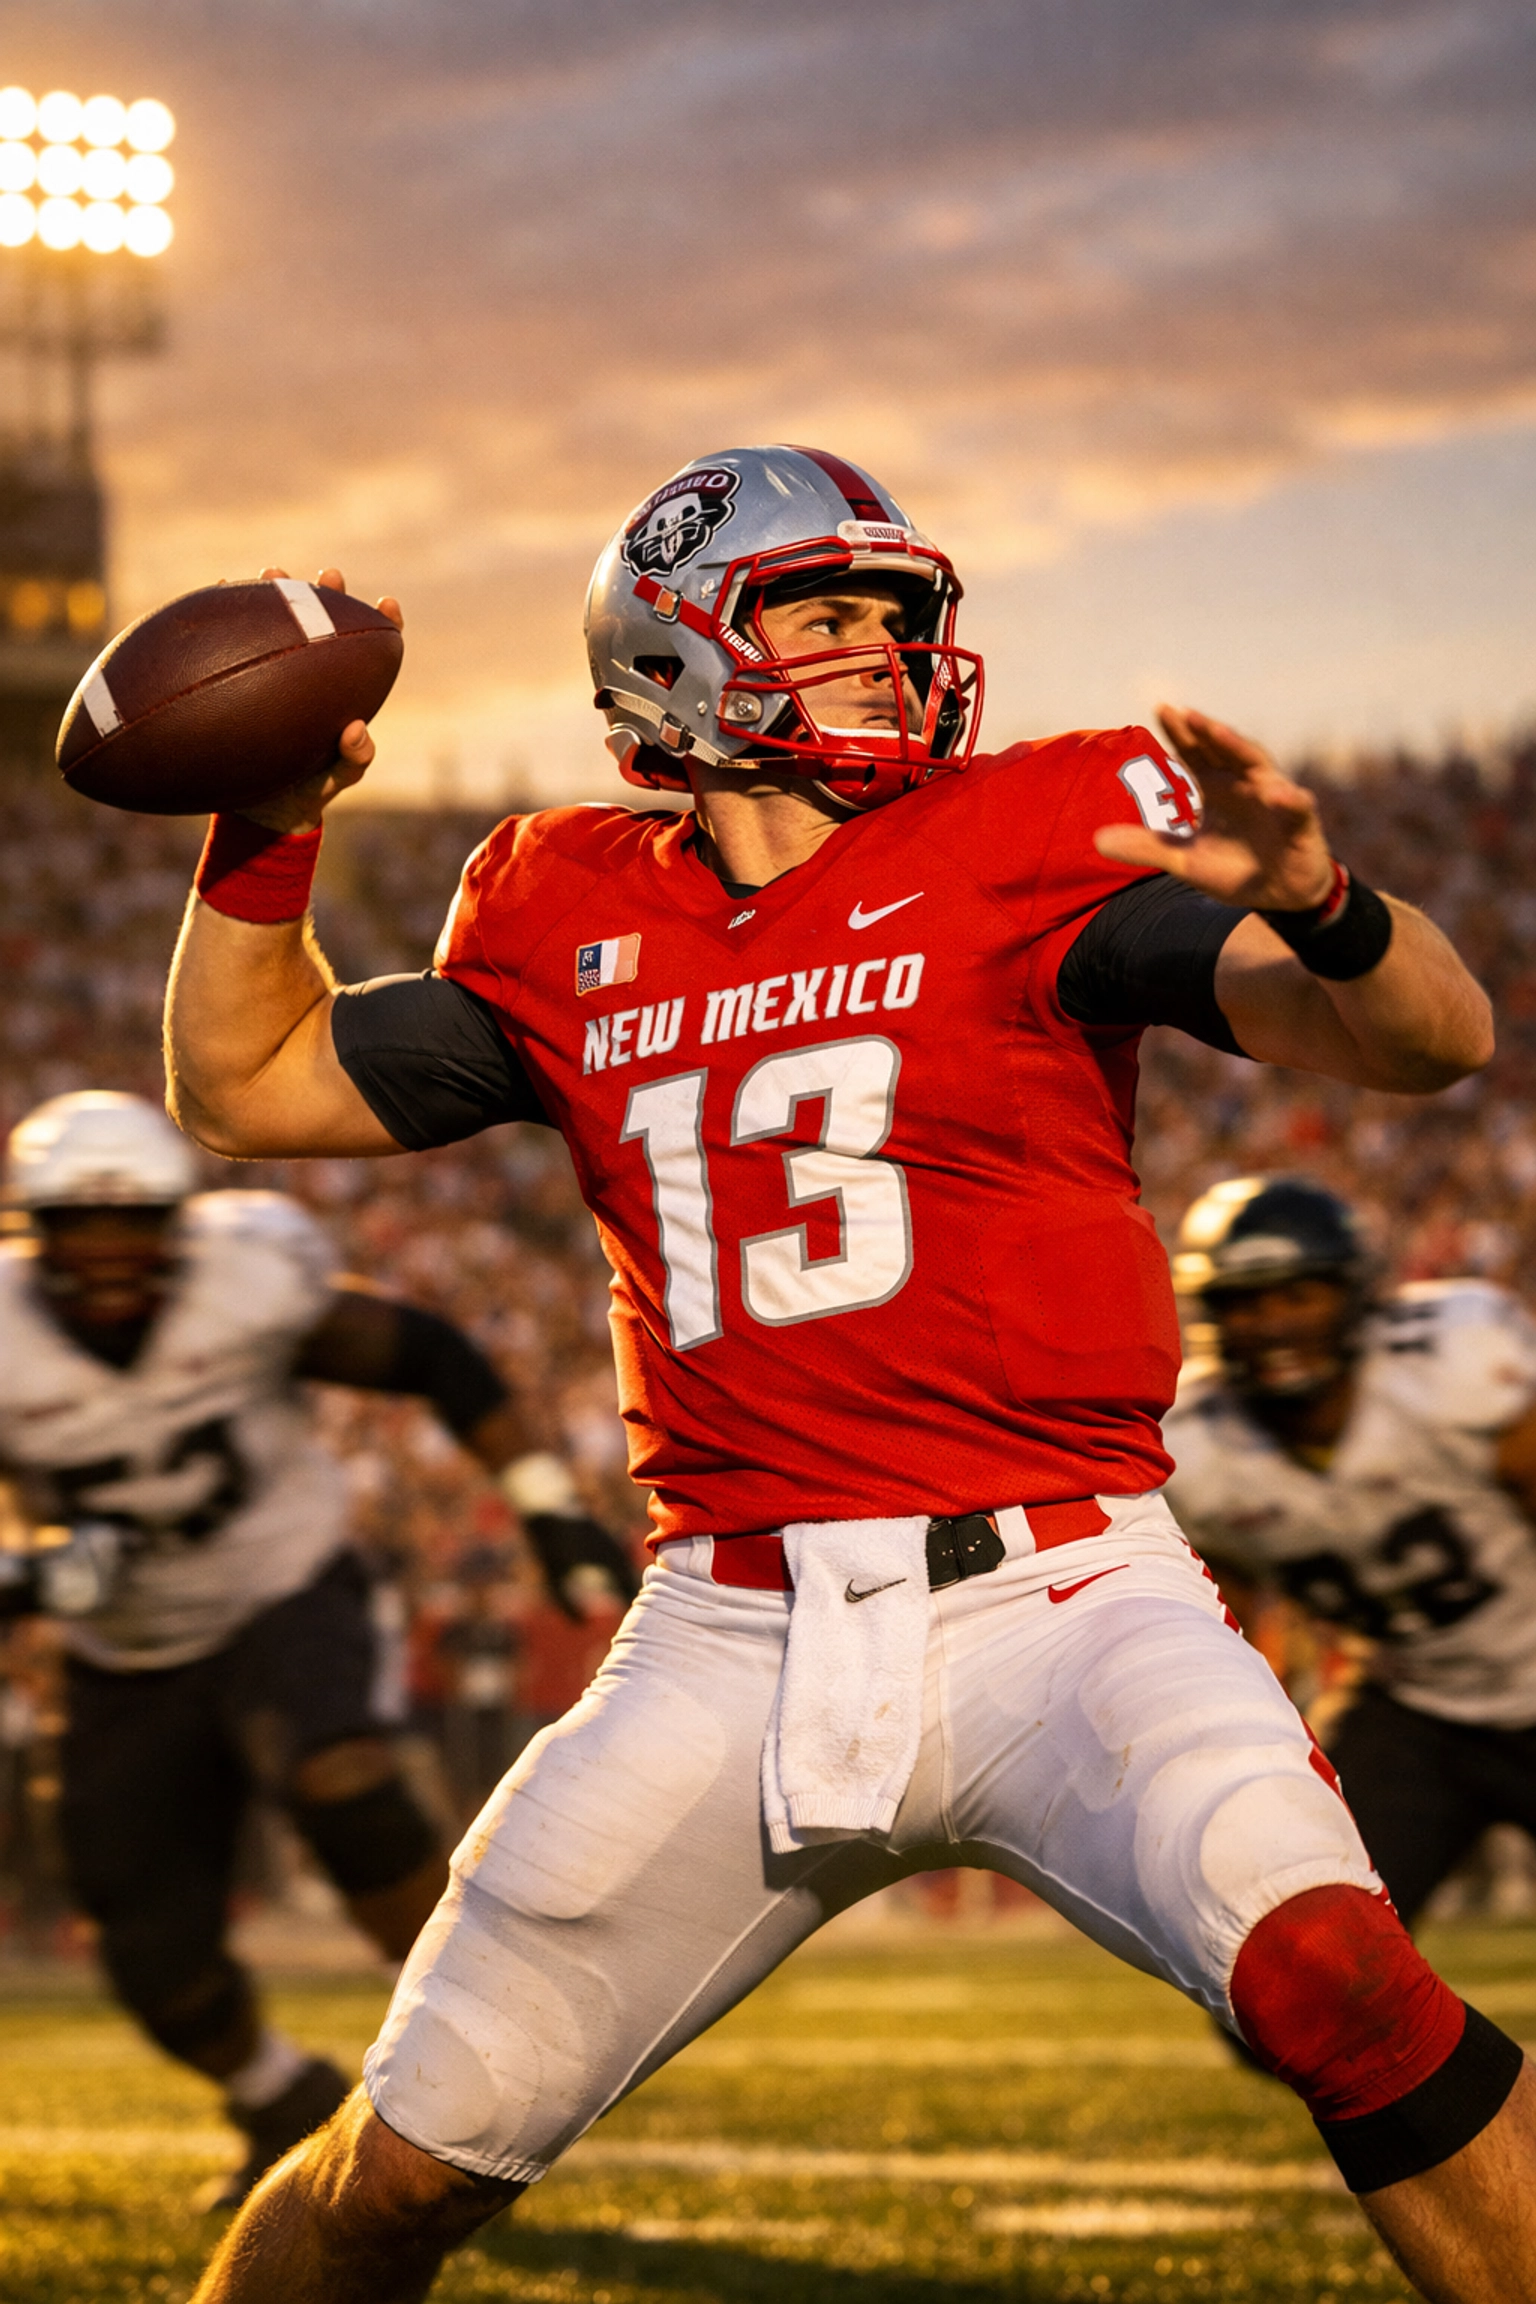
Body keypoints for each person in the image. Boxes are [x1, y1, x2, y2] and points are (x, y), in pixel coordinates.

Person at [162, 445, 1533, 2304]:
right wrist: (264, 827)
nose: (885, 650)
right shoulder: (563, 904)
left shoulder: (1043, 830)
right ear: (674, 650)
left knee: (1339, 1982)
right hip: (728, 1632)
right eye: (826, 613)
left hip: (1071, 1594)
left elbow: (1420, 1042)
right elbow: (249, 1085)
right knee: (398, 2171)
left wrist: (1331, 905)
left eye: (900, 613)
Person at [0, 1089, 628, 2209]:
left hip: (281, 1588)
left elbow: (426, 1353)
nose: (105, 1256)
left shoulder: (244, 1278)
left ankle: (477, 2032)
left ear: (178, 1222)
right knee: (149, 1949)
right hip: (122, 1649)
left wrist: (544, 1505)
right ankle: (280, 2099)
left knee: (341, 1775)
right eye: (78, 1227)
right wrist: (29, 1574)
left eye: (133, 1222)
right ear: (33, 1232)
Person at [1165, 1173, 1536, 1927]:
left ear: (1352, 1293)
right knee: (1296, 1961)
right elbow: (1218, 1633)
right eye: (1247, 1301)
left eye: (1297, 1295)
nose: (1273, 1324)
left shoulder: (1453, 1361)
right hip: (1414, 1706)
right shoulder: (1198, 1448)